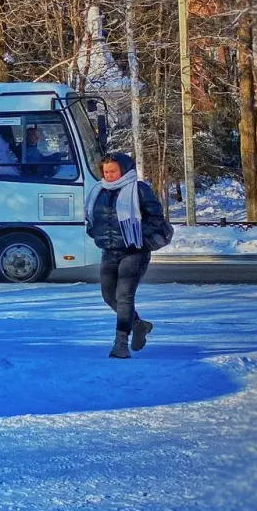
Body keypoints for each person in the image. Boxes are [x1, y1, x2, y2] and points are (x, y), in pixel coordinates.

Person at [85, 152, 172, 359]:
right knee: (108, 296)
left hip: (134, 251)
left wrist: (138, 236)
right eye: (106, 172)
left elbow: (156, 217)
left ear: (124, 170)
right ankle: (138, 325)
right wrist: (95, 232)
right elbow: (91, 217)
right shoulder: (98, 191)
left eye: (113, 171)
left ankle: (120, 344)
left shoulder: (138, 189)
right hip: (109, 251)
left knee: (124, 296)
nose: (109, 176)